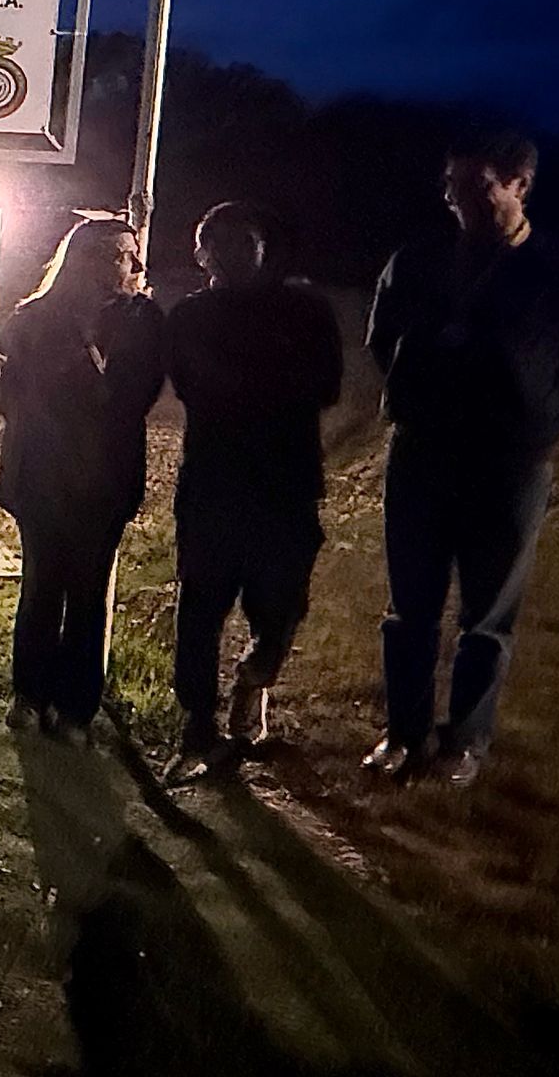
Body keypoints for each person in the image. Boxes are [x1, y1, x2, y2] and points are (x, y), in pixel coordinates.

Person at [364, 133, 559, 787]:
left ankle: (466, 740)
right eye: (450, 185)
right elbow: (382, 339)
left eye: (475, 185)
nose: (456, 198)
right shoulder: (417, 261)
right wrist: (419, 395)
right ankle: (404, 734)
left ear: (519, 185)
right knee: (410, 605)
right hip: (422, 454)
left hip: (508, 466)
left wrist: (540, 419)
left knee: (487, 614)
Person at [165, 203, 342, 780]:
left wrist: (250, 383)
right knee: (200, 609)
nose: (238, 253)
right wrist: (275, 381)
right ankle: (197, 729)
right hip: (214, 483)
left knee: (284, 603)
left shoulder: (306, 309)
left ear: (263, 247)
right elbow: (195, 387)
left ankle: (255, 674)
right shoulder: (190, 316)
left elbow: (327, 386)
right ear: (203, 255)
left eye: (248, 240)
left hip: (286, 484)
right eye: (222, 243)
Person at [0, 217, 165, 747]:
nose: (134, 267)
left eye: (132, 255)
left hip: (104, 480)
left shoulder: (143, 321)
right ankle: (29, 693)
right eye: (121, 256)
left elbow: (135, 397)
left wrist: (90, 378)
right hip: (42, 474)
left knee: (89, 593)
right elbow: (12, 395)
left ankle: (76, 707)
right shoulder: (32, 319)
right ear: (86, 262)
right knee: (41, 586)